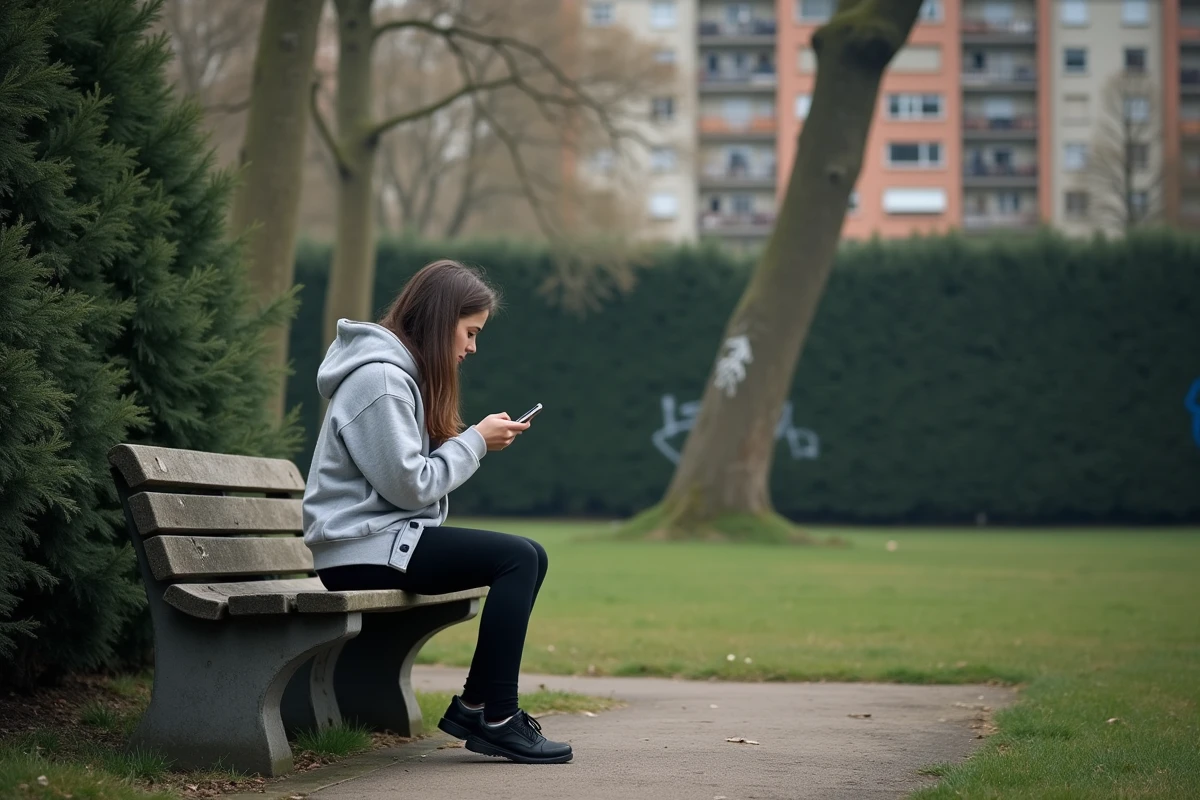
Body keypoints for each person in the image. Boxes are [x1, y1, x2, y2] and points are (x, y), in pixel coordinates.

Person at [301, 259, 571, 765]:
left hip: (379, 539)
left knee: (530, 553)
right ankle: (498, 717)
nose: (472, 347)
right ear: (440, 319)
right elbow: (410, 486)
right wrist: (474, 443)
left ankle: (475, 706)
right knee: (517, 558)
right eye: (469, 332)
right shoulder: (378, 379)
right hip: (358, 547)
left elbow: (408, 484)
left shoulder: (395, 375)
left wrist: (470, 443)